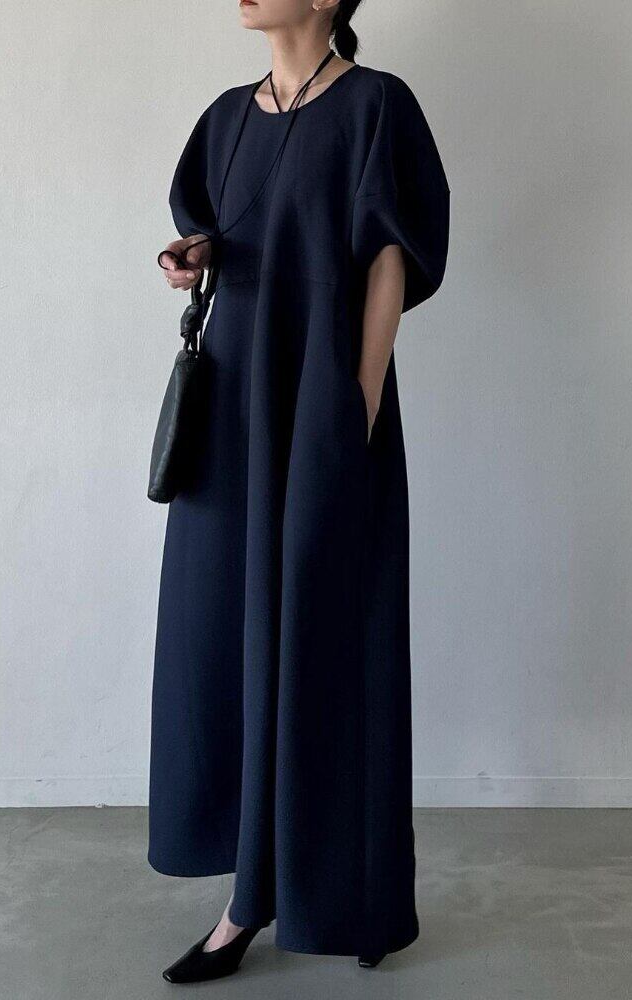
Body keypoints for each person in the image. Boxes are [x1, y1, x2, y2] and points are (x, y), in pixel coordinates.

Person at [149, 0, 450, 984]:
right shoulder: (227, 118)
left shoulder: (376, 106)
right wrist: (195, 253)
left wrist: (358, 400)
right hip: (233, 410)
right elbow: (224, 228)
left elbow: (388, 258)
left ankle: (350, 893)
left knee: (330, 636)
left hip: (321, 395)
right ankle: (248, 893)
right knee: (224, 636)